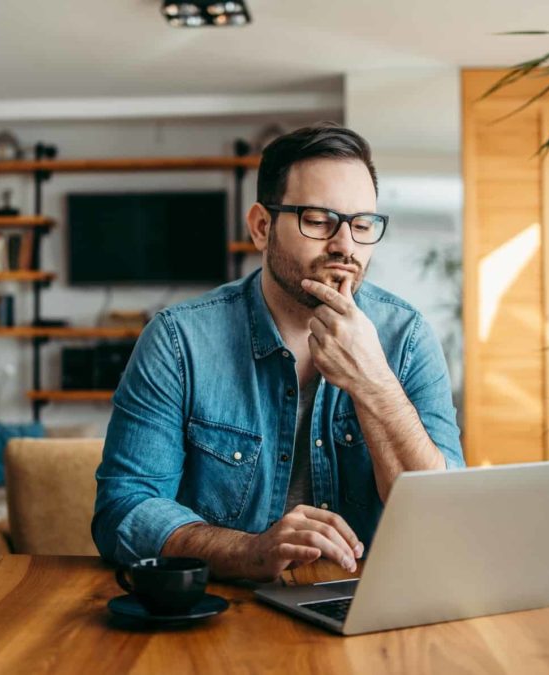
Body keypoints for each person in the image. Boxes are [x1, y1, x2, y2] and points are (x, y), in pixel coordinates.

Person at [91, 122, 464, 582]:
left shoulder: (407, 337)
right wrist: (249, 551)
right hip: (226, 605)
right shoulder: (177, 342)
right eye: (319, 220)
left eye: (362, 224)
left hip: (370, 602)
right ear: (261, 227)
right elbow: (123, 511)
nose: (345, 246)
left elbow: (442, 517)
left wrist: (373, 382)